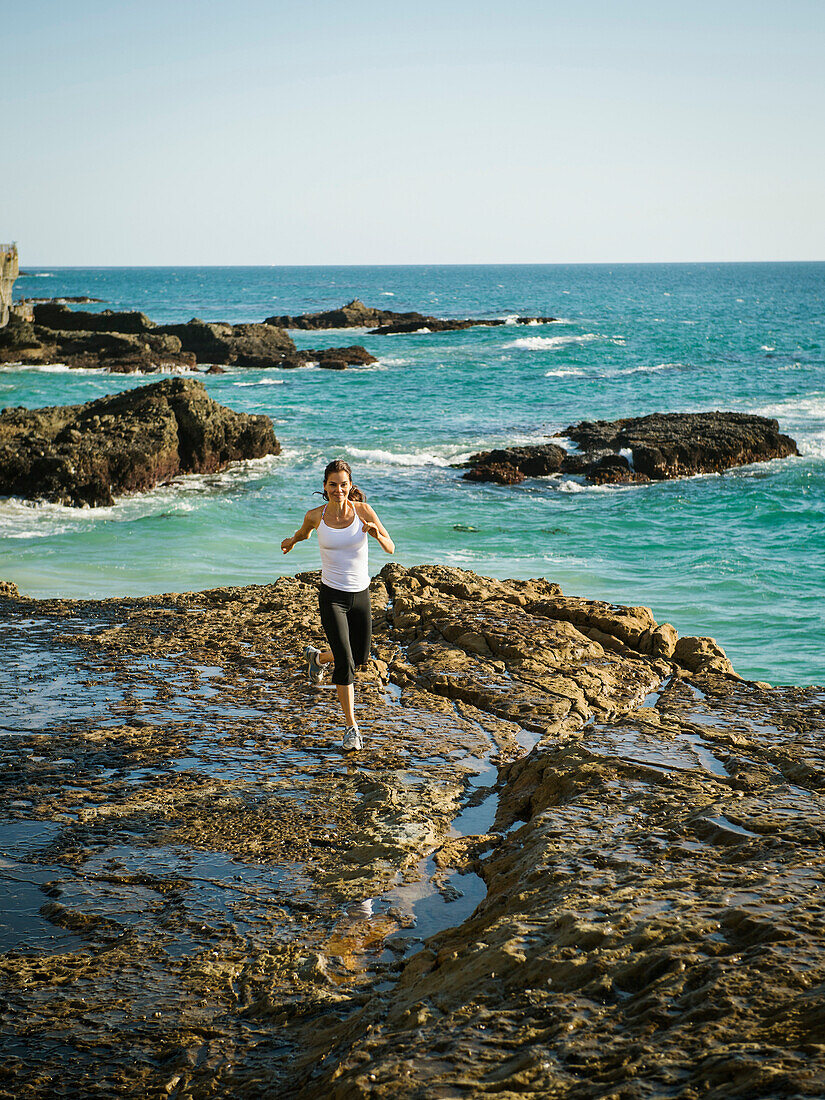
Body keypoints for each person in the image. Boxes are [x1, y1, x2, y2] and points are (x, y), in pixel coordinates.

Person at [280, 460, 395, 752]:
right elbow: (303, 533)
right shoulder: (315, 516)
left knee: (360, 656)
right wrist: (291, 542)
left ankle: (317, 659)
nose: (338, 490)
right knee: (346, 664)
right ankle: (351, 728)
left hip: (361, 595)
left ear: (350, 485)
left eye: (343, 484)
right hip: (331, 596)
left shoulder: (364, 512)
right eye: (332, 484)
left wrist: (375, 533)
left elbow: (390, 547)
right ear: (324, 486)